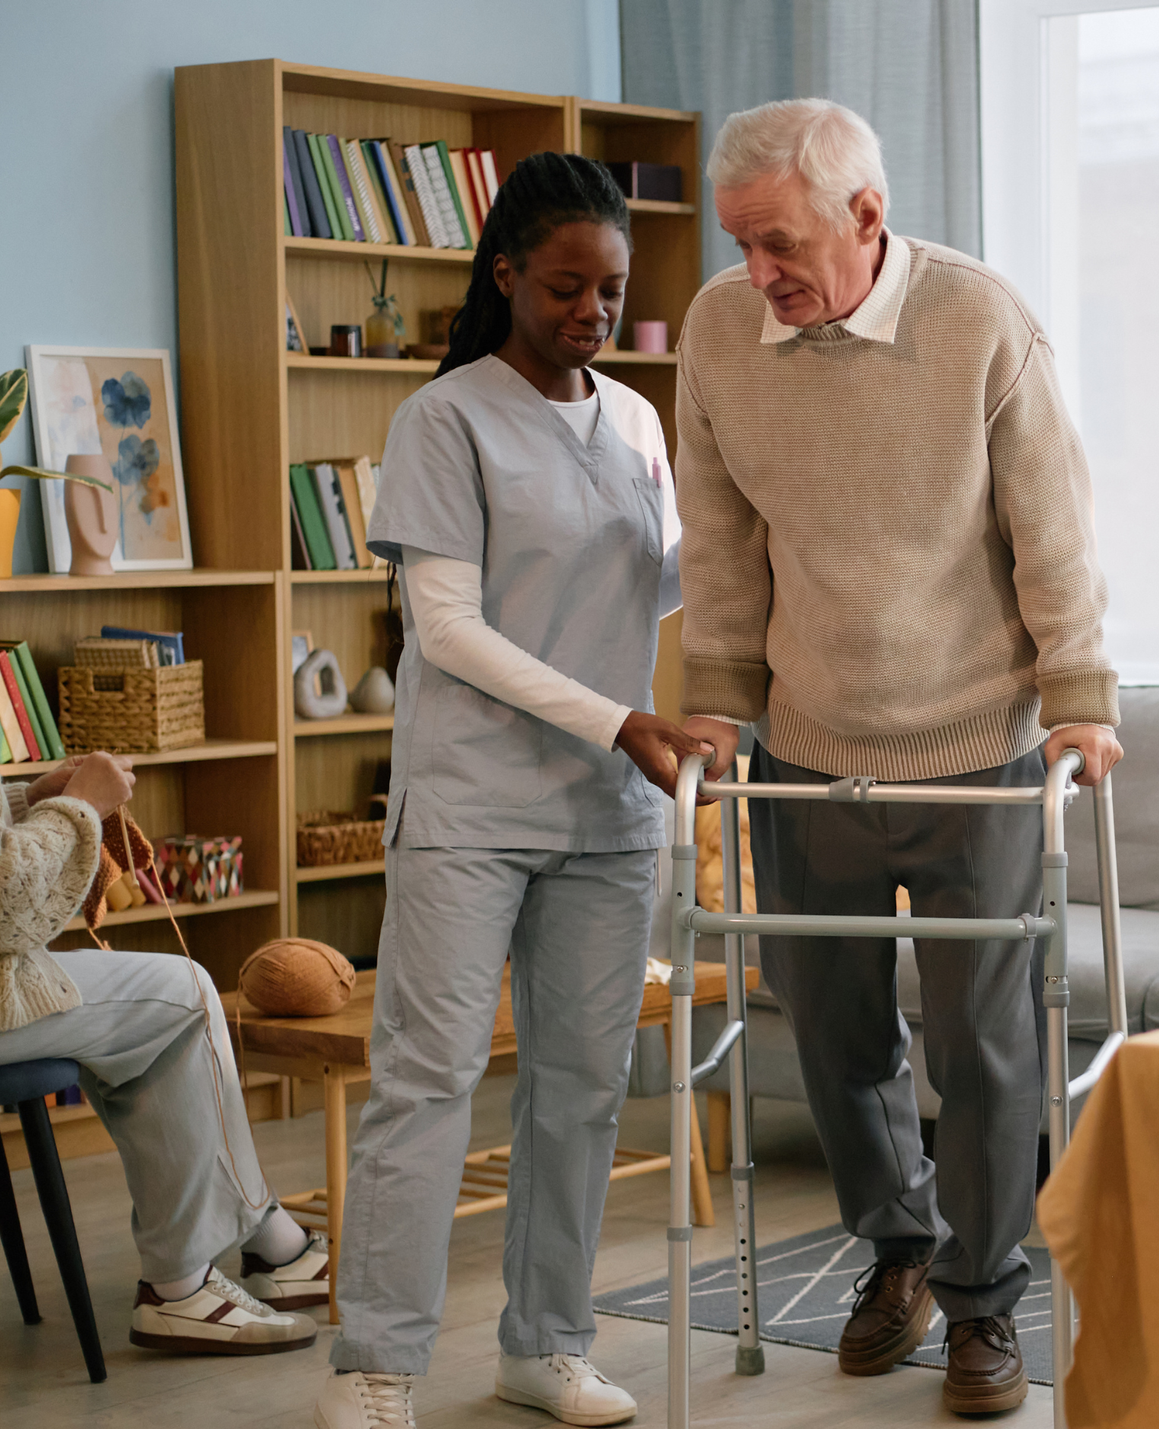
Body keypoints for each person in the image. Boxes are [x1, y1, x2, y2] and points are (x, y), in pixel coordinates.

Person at [674, 98, 1120, 1417]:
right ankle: (898, 1253)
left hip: (977, 747)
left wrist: (1080, 693)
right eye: (740, 245)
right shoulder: (716, 333)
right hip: (809, 749)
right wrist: (716, 696)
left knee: (983, 1050)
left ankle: (985, 1305)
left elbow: (1056, 526)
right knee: (836, 1032)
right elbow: (715, 534)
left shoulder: (979, 322)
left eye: (778, 241)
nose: (758, 274)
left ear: (867, 216)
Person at [315, 152, 706, 1429]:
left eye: (610, 288)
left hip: (608, 810)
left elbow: (653, 589)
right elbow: (450, 628)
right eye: (564, 287)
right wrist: (622, 719)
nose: (591, 312)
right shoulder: (447, 419)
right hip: (475, 805)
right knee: (426, 1078)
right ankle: (375, 1367)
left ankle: (545, 1343)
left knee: (585, 1084)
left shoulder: (637, 422)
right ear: (505, 276)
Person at [0, 448, 324, 1356]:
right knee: (184, 994)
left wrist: (37, 797)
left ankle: (261, 1244)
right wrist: (84, 807)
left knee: (155, 1010)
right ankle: (197, 1277)